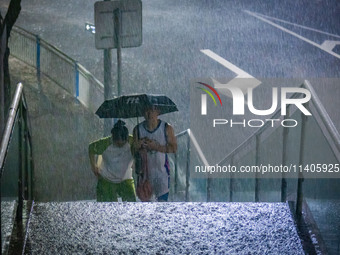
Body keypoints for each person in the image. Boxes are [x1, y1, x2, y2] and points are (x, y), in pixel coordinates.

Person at [132, 106, 177, 202]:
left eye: (152, 111)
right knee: (146, 207)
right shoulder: (138, 129)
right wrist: (137, 146)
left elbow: (174, 148)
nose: (149, 114)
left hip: (162, 174)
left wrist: (157, 147)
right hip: (144, 175)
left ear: (158, 112)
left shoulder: (166, 128)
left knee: (161, 205)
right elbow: (132, 152)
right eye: (146, 111)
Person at [89, 120, 136, 202]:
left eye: (123, 143)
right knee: (105, 208)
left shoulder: (133, 141)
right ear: (113, 138)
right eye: (118, 144)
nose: (120, 146)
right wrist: (94, 166)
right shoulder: (105, 143)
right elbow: (91, 148)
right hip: (107, 180)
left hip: (125, 179)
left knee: (131, 206)